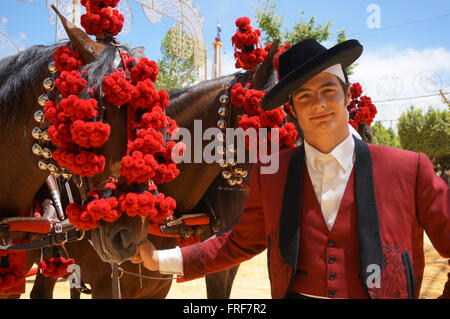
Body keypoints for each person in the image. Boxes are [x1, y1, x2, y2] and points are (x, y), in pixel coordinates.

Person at [131, 38, 450, 299]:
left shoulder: (411, 170)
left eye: (328, 90)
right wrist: (159, 259)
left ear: (347, 95)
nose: (319, 104)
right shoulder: (273, 174)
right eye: (305, 95)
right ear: (292, 109)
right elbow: (237, 243)